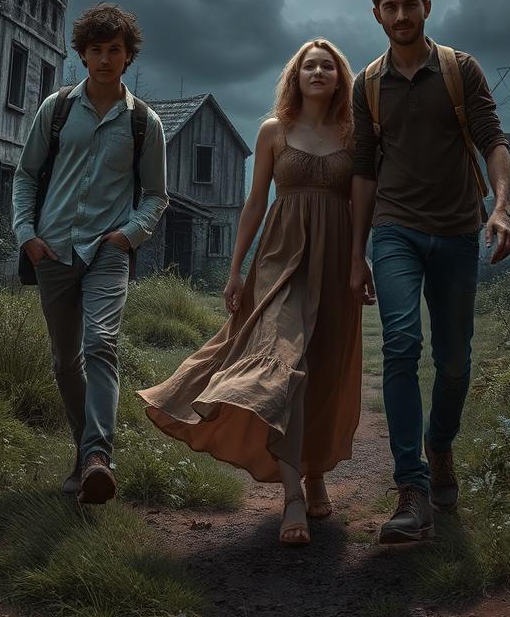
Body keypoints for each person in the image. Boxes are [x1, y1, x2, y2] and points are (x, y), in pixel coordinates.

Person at [140, 39, 362, 546]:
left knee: (325, 370)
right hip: (281, 263)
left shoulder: (352, 135)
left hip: (332, 265)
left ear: (340, 77)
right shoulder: (272, 132)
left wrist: (358, 260)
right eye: (311, 65)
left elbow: (360, 204)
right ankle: (292, 498)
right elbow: (254, 204)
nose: (320, 71)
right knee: (285, 368)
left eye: (329, 66)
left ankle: (316, 473)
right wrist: (236, 270)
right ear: (296, 75)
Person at [350, 0, 510, 544]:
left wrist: (500, 207)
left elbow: (494, 141)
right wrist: (356, 252)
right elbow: (364, 173)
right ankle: (411, 487)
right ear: (376, 14)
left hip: (457, 230)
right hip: (394, 229)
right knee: (401, 343)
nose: (399, 14)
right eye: (388, 6)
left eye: (409, 4)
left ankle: (440, 444)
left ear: (426, 6)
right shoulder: (367, 84)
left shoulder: (459, 70)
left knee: (453, 359)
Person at [13, 3, 168, 505]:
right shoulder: (55, 110)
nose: (105, 59)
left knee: (101, 343)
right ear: (83, 55)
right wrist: (25, 235)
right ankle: (84, 454)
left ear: (127, 57)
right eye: (96, 50)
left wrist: (129, 235)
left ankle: (99, 455)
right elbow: (25, 175)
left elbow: (155, 195)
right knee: (64, 360)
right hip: (52, 248)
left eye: (114, 50)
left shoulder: (144, 123)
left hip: (107, 249)